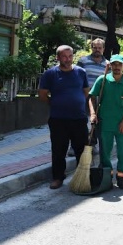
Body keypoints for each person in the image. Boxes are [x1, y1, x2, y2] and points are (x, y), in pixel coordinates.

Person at [38, 45, 90, 190]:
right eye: (64, 56)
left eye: (70, 56)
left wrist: (76, 102)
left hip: (79, 118)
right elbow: (42, 95)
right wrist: (55, 103)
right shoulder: (50, 74)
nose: (67, 59)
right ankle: (58, 177)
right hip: (58, 119)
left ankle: (82, 177)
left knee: (82, 149)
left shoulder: (81, 72)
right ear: (58, 57)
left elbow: (86, 92)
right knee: (59, 150)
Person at [89, 55, 123, 190]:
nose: (117, 67)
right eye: (114, 64)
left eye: (119, 64)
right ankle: (107, 178)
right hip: (105, 123)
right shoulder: (102, 80)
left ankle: (122, 177)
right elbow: (92, 97)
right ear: (110, 65)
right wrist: (93, 114)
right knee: (105, 152)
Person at [76, 38, 108, 156]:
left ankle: (92, 144)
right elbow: (76, 77)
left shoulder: (107, 64)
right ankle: (75, 145)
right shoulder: (83, 61)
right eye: (95, 47)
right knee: (79, 121)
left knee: (95, 121)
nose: (97, 50)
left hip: (99, 98)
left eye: (100, 48)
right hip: (83, 96)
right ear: (91, 48)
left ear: (103, 49)